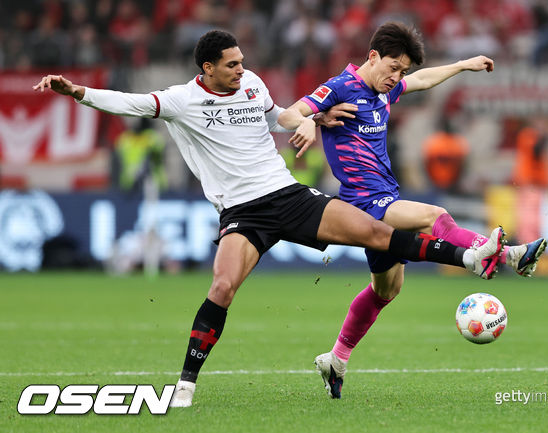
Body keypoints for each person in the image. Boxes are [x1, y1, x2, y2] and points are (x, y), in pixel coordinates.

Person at [33, 29, 506, 408]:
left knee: (377, 233)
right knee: (222, 288)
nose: (242, 69)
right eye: (232, 64)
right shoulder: (181, 100)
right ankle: (185, 383)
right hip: (242, 212)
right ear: (208, 68)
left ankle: (466, 258)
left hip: (286, 194)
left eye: (242, 61)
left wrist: (311, 121)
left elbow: (279, 114)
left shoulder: (253, 84)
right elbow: (130, 102)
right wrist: (77, 92)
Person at [279, 22, 548, 399]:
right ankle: (509, 256)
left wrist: (462, 65)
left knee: (386, 290)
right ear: (373, 56)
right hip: (363, 201)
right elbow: (288, 114)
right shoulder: (340, 87)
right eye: (393, 67)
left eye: (401, 70)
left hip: (385, 195)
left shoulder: (383, 90)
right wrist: (310, 120)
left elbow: (421, 80)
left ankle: (336, 359)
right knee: (433, 216)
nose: (396, 76)